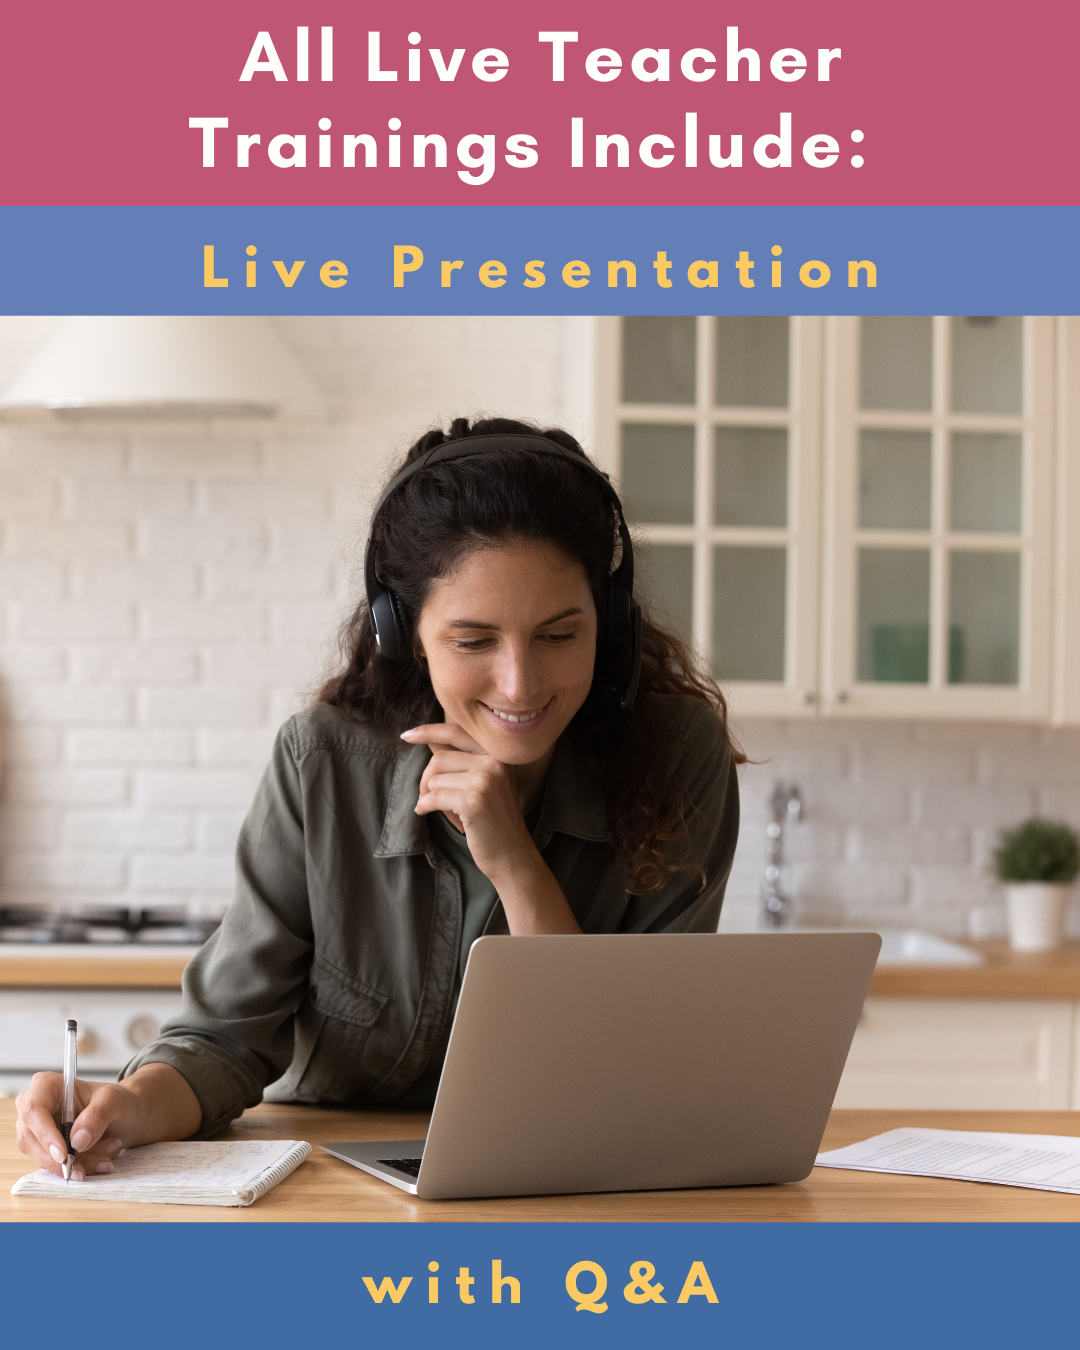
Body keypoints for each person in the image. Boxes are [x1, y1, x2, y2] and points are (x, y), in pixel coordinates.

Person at [15, 416, 742, 1181]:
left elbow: (625, 1078)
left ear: (611, 620)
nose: (519, 684)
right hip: (332, 1183)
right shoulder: (322, 762)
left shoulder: (676, 756)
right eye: (473, 641)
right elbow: (224, 1040)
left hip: (569, 1178)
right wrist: (126, 1107)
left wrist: (515, 862)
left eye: (560, 636)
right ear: (405, 634)